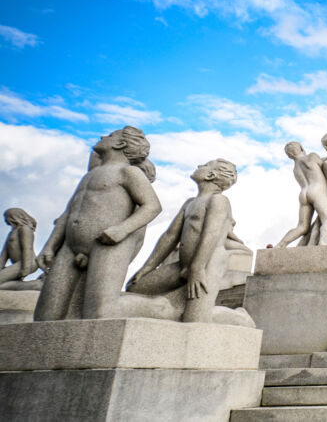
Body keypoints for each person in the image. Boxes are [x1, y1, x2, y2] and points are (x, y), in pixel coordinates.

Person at [34, 127, 162, 321]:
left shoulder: (128, 172)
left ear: (120, 144)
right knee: (46, 312)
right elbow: (69, 212)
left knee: (99, 312)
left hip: (108, 245)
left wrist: (121, 230)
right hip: (69, 247)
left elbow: (153, 206)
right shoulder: (90, 176)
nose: (103, 136)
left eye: (111, 136)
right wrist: (49, 246)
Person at [125, 159, 238, 323]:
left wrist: (197, 268)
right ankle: (169, 304)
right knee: (136, 287)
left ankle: (239, 317)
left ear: (210, 175)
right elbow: (170, 236)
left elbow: (211, 234)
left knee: (196, 319)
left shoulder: (219, 200)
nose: (199, 166)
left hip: (208, 264)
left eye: (204, 165)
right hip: (183, 265)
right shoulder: (190, 203)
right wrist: (148, 267)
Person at [274, 142, 327, 248]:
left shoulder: (295, 168)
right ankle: (323, 243)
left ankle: (280, 245)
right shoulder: (311, 156)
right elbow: (324, 167)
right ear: (301, 148)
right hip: (317, 191)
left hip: (304, 194)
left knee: (302, 227)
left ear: (289, 155)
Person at [0, 208, 37, 286]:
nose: (5, 220)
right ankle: (31, 285)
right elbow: (4, 255)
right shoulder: (11, 233)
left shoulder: (25, 229)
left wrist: (25, 268)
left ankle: (36, 285)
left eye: (6, 217)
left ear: (13, 217)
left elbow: (27, 249)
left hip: (28, 262)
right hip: (18, 264)